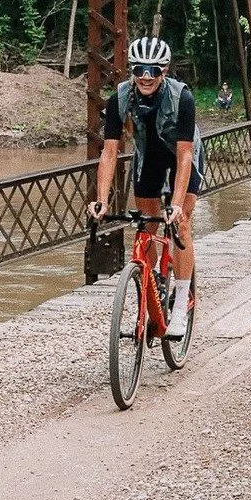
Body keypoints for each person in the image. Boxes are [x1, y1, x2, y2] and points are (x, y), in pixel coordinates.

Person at [89, 35, 203, 339]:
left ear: (164, 70)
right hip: (148, 156)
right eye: (139, 69)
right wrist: (101, 199)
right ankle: (149, 288)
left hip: (182, 154)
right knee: (146, 226)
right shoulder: (121, 97)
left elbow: (184, 156)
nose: (146, 77)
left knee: (181, 224)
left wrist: (177, 204)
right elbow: (110, 152)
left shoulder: (183, 98)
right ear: (132, 71)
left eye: (153, 70)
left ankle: (180, 304)